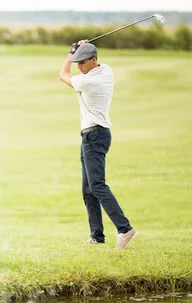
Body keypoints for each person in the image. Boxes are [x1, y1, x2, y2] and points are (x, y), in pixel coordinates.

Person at [59, 40, 137, 249]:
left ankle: (125, 229)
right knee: (87, 188)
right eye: (77, 62)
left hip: (95, 136)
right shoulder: (107, 70)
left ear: (93, 61)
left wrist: (70, 52)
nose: (78, 67)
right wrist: (82, 49)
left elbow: (63, 75)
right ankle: (97, 236)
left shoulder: (87, 82)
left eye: (82, 63)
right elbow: (80, 67)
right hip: (92, 135)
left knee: (97, 185)